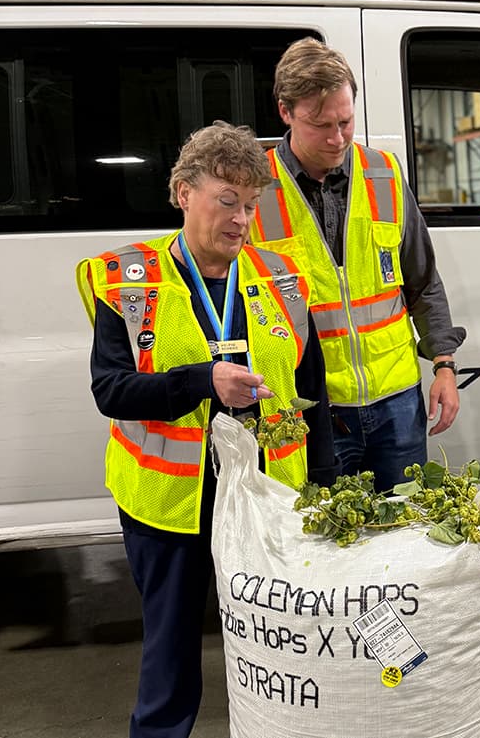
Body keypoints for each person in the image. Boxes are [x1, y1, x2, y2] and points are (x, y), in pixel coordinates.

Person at [76, 121, 340, 738]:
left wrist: (324, 487)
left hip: (270, 502)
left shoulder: (281, 279)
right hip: (169, 508)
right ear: (181, 192)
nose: (243, 220)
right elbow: (110, 391)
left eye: (251, 205)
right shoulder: (128, 283)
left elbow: (314, 394)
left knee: (283, 647)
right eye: (228, 202)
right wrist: (200, 381)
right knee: (169, 658)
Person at [250, 37, 466, 492]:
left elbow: (423, 282)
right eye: (320, 124)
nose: (337, 138)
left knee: (407, 533)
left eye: (346, 121)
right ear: (285, 112)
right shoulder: (254, 193)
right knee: (330, 547)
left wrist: (444, 365)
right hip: (312, 412)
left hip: (398, 406)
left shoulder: (385, 174)